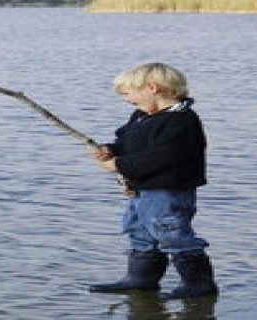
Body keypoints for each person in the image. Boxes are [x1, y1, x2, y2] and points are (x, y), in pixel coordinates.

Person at [89, 63, 218, 299]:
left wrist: (118, 165)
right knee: (139, 230)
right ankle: (141, 280)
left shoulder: (182, 121)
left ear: (152, 88)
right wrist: (111, 150)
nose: (127, 100)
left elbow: (162, 157)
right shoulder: (141, 116)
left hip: (167, 190)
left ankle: (199, 284)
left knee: (171, 233)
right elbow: (127, 143)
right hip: (141, 189)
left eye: (129, 94)